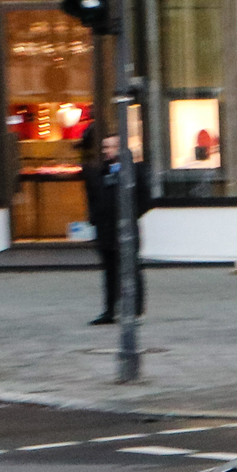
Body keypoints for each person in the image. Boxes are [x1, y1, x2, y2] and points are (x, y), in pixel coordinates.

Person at [81, 125, 149, 326]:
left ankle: (135, 311)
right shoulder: (99, 172)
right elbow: (93, 198)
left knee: (131, 269)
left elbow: (146, 198)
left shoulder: (134, 170)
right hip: (105, 230)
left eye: (110, 147)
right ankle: (109, 310)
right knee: (109, 272)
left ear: (120, 148)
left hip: (126, 229)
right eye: (104, 147)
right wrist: (94, 219)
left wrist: (131, 215)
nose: (105, 151)